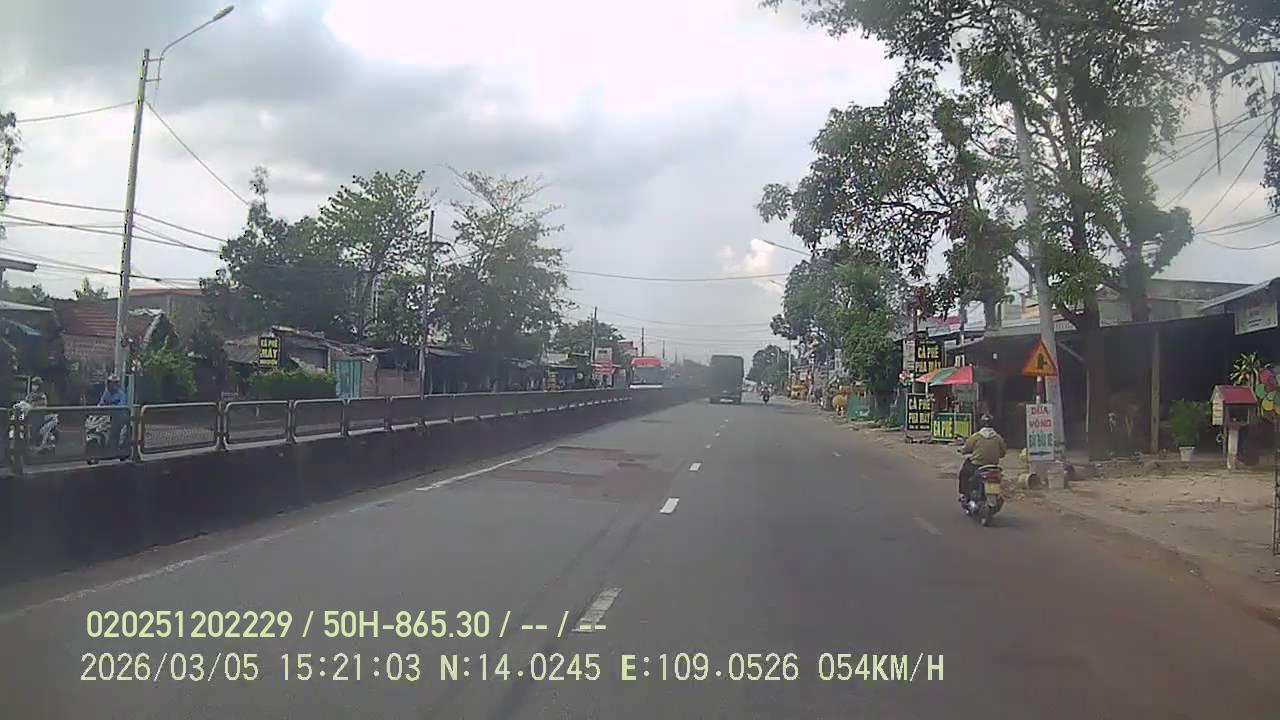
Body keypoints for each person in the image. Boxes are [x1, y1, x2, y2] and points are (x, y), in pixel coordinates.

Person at [958, 414, 1007, 501]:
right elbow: (1003, 453)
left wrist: (962, 450)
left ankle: (963, 494)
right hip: (993, 466)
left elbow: (966, 448)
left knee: (964, 473)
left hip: (977, 465)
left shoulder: (976, 436)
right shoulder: (998, 437)